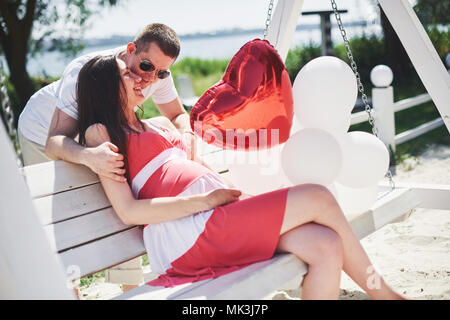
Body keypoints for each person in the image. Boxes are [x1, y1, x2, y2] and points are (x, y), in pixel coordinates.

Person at [76, 54, 408, 300]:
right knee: (317, 196)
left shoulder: (155, 126)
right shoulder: (101, 133)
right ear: (104, 88)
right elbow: (129, 212)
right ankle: (385, 295)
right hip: (189, 231)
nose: (139, 78)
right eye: (126, 74)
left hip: (217, 219)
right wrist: (205, 200)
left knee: (325, 244)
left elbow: (182, 127)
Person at [18, 23, 191, 294]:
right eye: (145, 67)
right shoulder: (83, 72)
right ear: (130, 49)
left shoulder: (156, 75)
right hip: (41, 132)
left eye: (162, 72)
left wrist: (187, 136)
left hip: (97, 136)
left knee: (118, 202)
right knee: (59, 220)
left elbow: (178, 115)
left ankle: (130, 290)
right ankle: (69, 290)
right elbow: (55, 140)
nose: (149, 80)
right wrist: (87, 155)